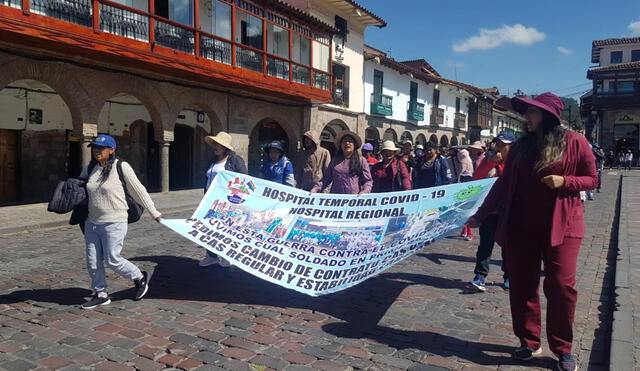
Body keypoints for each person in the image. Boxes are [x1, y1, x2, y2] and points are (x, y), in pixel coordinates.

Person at [467, 92, 597, 371]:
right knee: (523, 285)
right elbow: (502, 185)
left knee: (561, 287)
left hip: (564, 226)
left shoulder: (575, 142)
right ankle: (529, 342)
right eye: (526, 111)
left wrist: (565, 180)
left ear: (548, 116)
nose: (526, 117)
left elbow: (592, 178)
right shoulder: (521, 148)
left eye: (532, 112)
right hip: (521, 226)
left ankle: (563, 348)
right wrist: (479, 216)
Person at [79, 134, 162, 309]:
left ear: (112, 150)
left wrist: (154, 212)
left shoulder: (121, 167)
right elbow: (79, 187)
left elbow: (139, 191)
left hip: (114, 222)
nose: (96, 151)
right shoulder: (91, 168)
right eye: (94, 147)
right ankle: (101, 293)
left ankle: (139, 277)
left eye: (101, 148)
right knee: (92, 261)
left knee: (112, 259)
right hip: (92, 222)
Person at [468, 131, 516, 291]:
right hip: (490, 211)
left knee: (508, 247)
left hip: (509, 211)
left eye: (504, 145)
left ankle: (509, 276)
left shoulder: (517, 163)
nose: (499, 148)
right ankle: (480, 275)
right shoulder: (489, 160)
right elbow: (476, 179)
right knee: (485, 246)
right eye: (498, 144)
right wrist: (491, 164)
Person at [199, 132, 247, 268]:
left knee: (225, 229)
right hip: (209, 200)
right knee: (209, 228)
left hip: (226, 202)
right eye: (215, 144)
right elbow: (208, 179)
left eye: (218, 145)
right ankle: (211, 256)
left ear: (225, 147)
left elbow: (244, 179)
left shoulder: (235, 160)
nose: (215, 147)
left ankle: (227, 255)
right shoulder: (212, 161)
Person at [457, 148, 475, 241]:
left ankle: (469, 233)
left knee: (467, 214)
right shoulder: (463, 161)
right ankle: (464, 230)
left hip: (468, 192)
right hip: (462, 191)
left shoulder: (466, 161)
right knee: (462, 214)